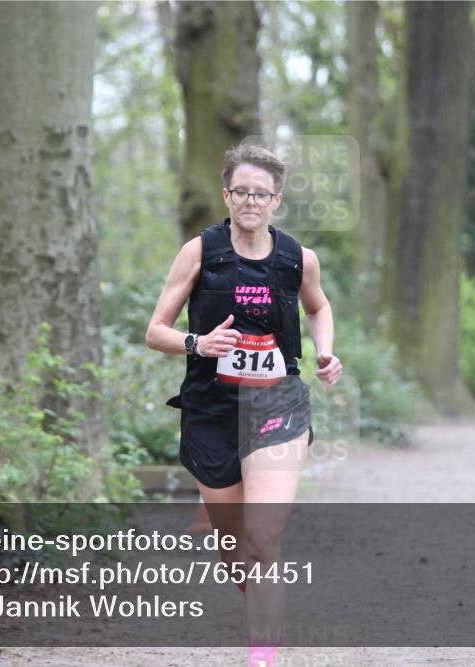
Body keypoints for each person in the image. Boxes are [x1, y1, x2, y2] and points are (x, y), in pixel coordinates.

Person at [145, 144, 342, 667]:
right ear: (227, 195)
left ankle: (262, 659)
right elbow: (154, 330)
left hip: (277, 404)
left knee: (261, 540)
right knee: (237, 556)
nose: (250, 201)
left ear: (276, 199)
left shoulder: (298, 258)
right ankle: (250, 585)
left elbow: (319, 308)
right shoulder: (200, 252)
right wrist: (198, 344)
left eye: (262, 193)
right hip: (211, 409)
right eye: (241, 192)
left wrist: (325, 350)